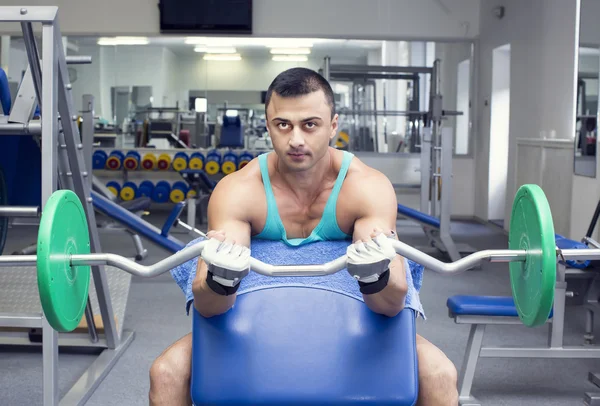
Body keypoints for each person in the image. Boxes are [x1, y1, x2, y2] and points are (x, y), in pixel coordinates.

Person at [149, 67, 458, 406]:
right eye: (283, 125)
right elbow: (210, 308)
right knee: (166, 372)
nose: (296, 139)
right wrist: (221, 280)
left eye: (309, 124)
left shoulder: (365, 187)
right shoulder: (239, 190)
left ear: (333, 126)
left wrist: (375, 277)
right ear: (269, 127)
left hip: (353, 308)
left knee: (439, 374)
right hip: (259, 308)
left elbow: (390, 304)